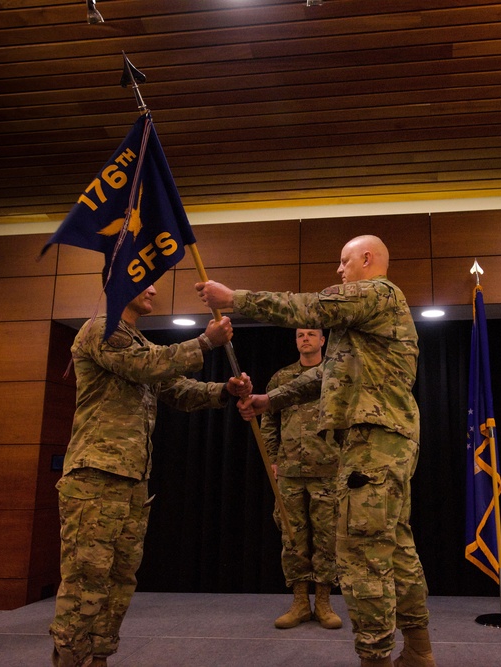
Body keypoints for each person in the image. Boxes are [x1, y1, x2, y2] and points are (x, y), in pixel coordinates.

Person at [196, 235, 436, 667]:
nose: (340, 272)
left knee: (362, 555)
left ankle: (376, 659)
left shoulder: (377, 292)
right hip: (380, 442)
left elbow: (313, 308)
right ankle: (418, 651)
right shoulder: (365, 325)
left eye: (344, 262)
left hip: (373, 441)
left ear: (367, 259)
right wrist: (272, 400)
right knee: (395, 547)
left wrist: (236, 299)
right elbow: (324, 375)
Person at [50, 282, 250, 667]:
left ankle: (99, 658)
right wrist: (205, 343)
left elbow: (175, 388)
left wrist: (223, 390)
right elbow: (150, 366)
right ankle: (70, 659)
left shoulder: (139, 340)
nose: (155, 289)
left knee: (120, 581)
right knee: (86, 581)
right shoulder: (101, 330)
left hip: (131, 480)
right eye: (145, 281)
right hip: (95, 477)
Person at [260, 328, 343, 630]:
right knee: (292, 538)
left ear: (323, 340)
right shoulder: (282, 379)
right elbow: (268, 419)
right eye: (300, 335)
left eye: (311, 334)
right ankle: (299, 603)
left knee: (326, 537)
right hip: (290, 471)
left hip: (328, 469)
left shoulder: (335, 374)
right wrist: (272, 458)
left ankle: (323, 602)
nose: (305, 339)